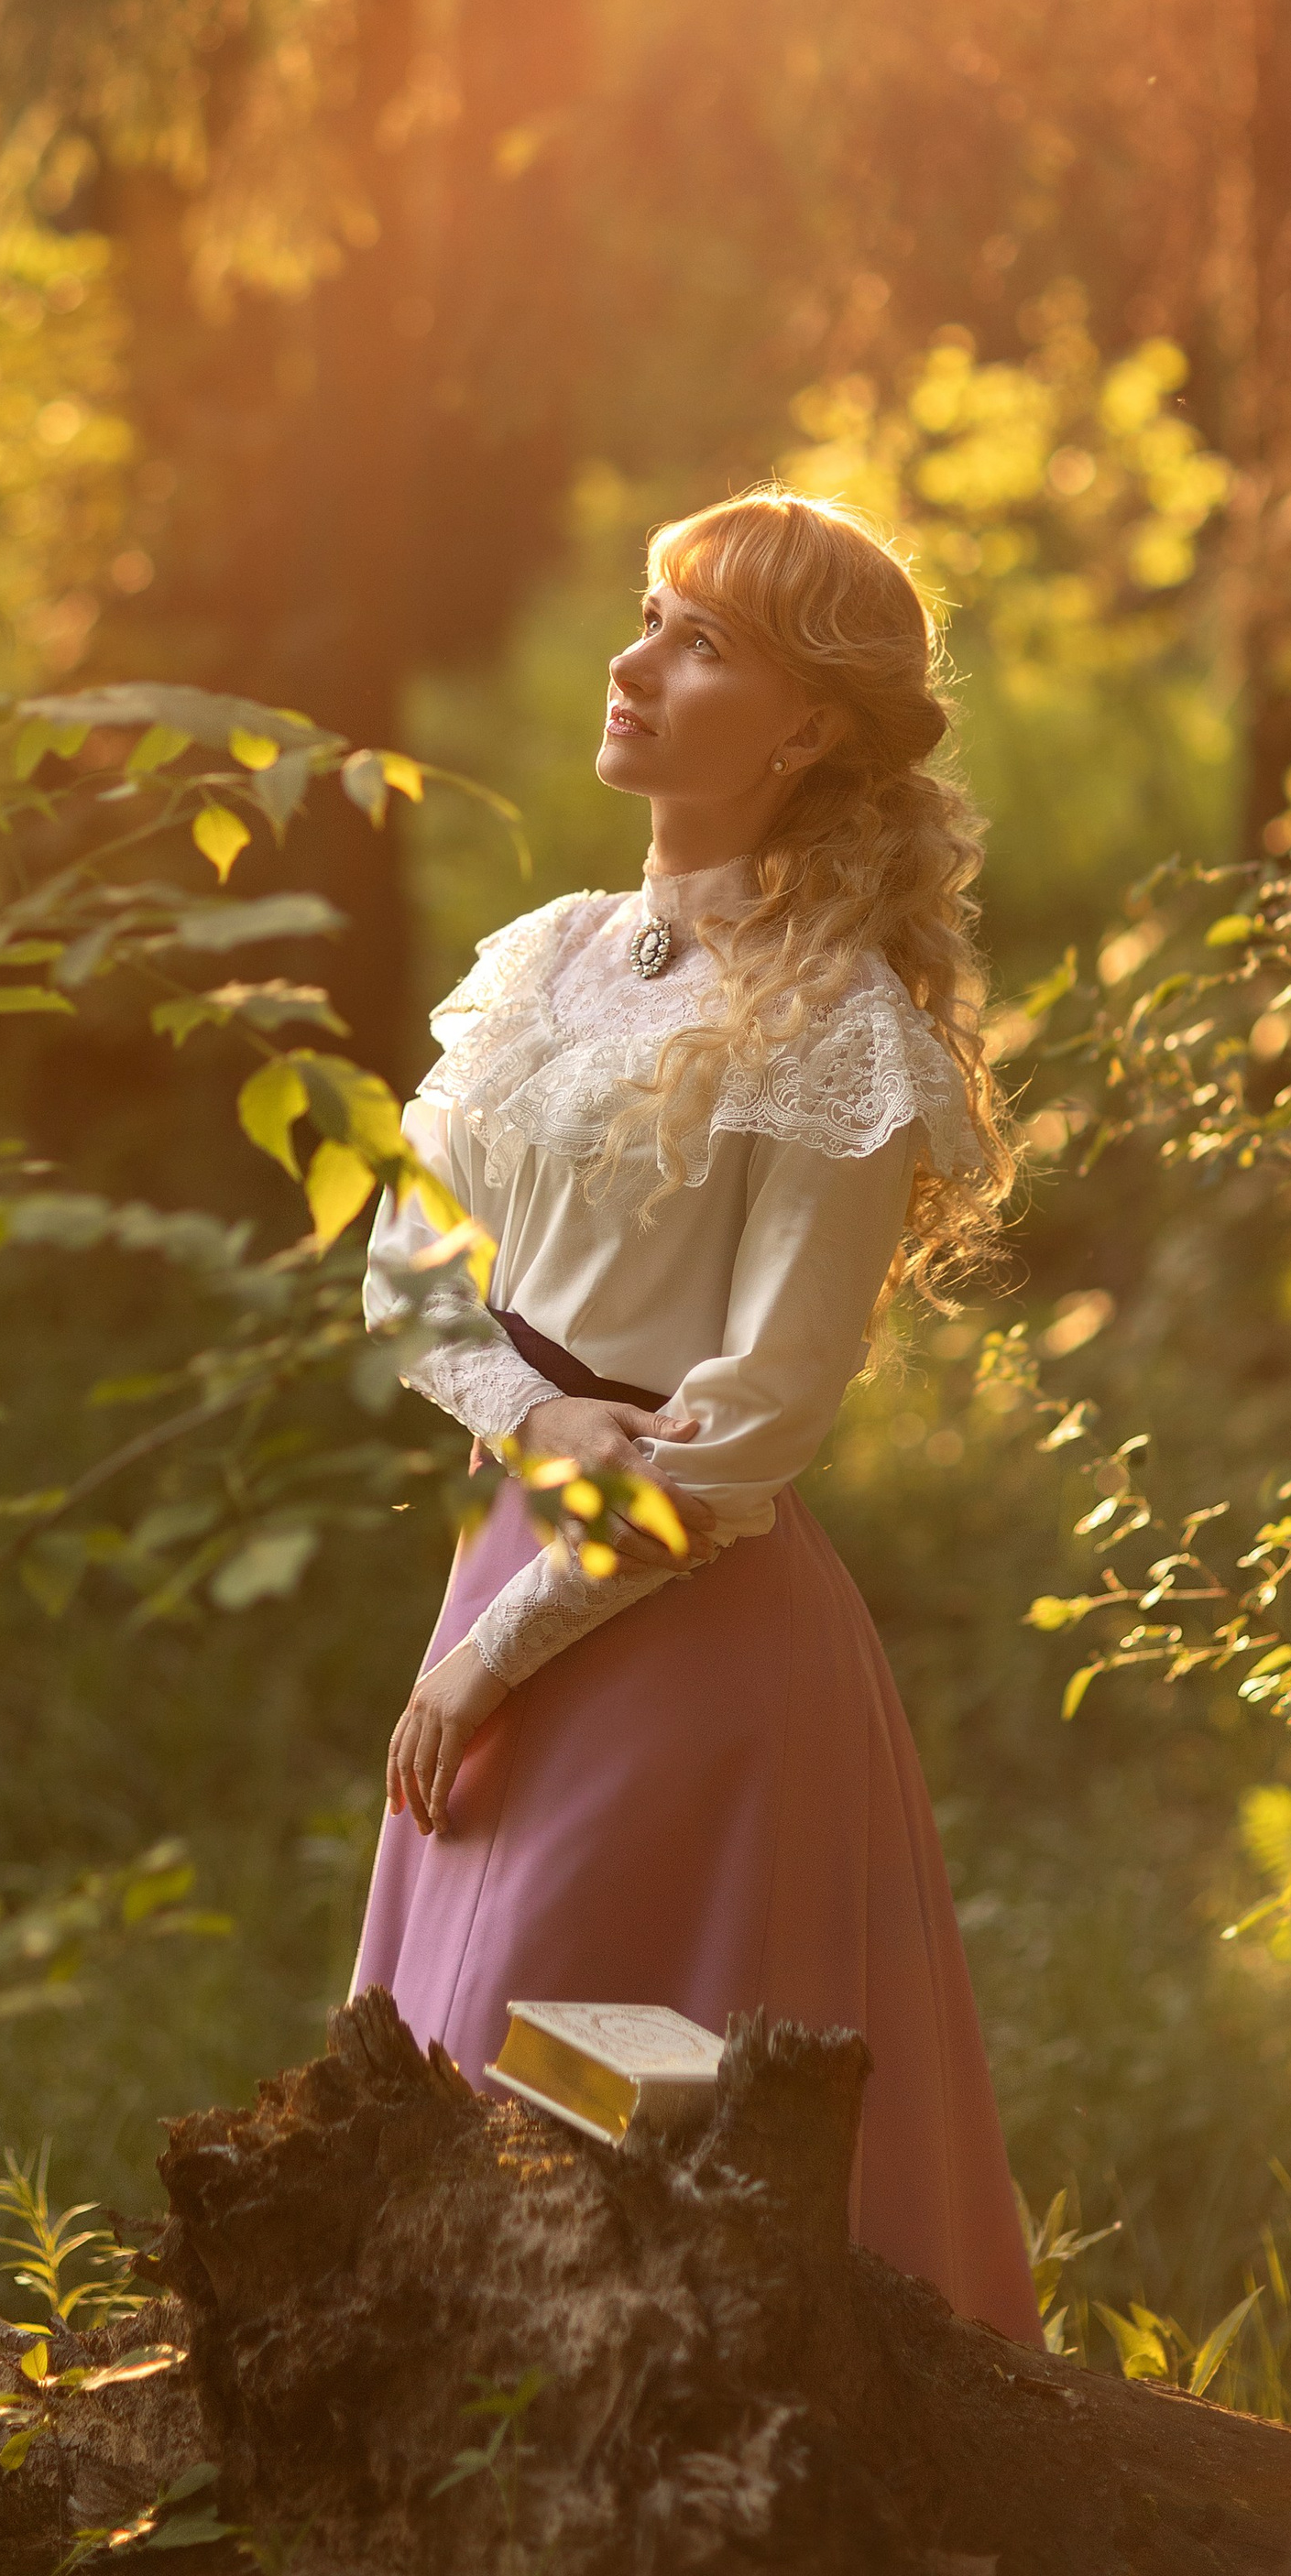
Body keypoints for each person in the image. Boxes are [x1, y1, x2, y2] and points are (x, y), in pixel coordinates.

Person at [354, 488, 1039, 2340]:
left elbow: (745, 1433)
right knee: (458, 2058)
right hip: (519, 1542)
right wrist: (524, 1418)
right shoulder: (548, 956)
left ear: (805, 723)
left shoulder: (839, 1030)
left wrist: (487, 1659)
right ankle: (532, 2460)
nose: (631, 660)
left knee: (581, 2048)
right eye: (647, 616)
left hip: (681, 1621)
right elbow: (402, 1267)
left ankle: (789, 2404)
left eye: (698, 640)